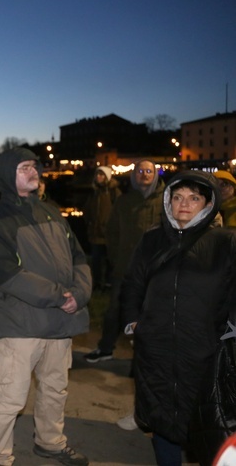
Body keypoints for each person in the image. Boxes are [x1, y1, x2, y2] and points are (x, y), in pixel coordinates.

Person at [0, 147, 91, 466]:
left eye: (33, 166)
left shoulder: (52, 212)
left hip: (59, 323)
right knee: (10, 397)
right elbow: (8, 275)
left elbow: (79, 258)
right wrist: (60, 296)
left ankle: (50, 442)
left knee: (55, 389)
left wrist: (79, 293)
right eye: (23, 168)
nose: (33, 172)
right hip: (20, 325)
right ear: (6, 175)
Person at [120, 170, 236, 465]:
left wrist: (229, 334)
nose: (184, 204)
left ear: (208, 204)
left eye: (194, 198)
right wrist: (134, 325)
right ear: (167, 201)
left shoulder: (226, 243)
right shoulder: (152, 240)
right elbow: (133, 284)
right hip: (155, 349)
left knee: (207, 420)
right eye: (177, 197)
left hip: (205, 352)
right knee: (161, 417)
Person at [84, 160, 165, 365]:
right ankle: (105, 348)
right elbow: (112, 232)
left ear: (155, 175)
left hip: (155, 271)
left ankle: (147, 357)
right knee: (114, 311)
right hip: (125, 267)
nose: (144, 174)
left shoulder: (167, 200)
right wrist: (116, 256)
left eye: (149, 171)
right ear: (133, 175)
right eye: (140, 171)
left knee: (152, 314)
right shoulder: (124, 201)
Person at [82, 166, 121, 290]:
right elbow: (87, 210)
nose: (98, 177)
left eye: (101, 175)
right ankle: (97, 283)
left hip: (109, 233)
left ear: (107, 177)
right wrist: (90, 223)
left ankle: (109, 283)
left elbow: (120, 211)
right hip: (95, 233)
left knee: (111, 260)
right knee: (96, 261)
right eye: (97, 174)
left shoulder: (114, 192)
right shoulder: (94, 192)